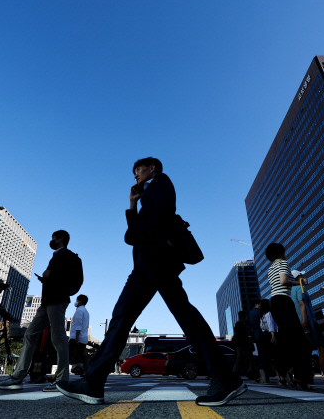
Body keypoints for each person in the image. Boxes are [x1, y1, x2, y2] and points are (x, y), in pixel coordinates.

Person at [57, 157, 246, 406]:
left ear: (152, 168)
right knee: (122, 318)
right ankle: (93, 383)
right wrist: (132, 205)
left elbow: (164, 212)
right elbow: (131, 236)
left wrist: (150, 240)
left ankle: (225, 378)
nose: (135, 174)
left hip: (156, 259)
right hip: (145, 263)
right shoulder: (145, 197)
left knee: (180, 314)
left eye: (138, 169)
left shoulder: (161, 182)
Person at [0, 230, 76, 392]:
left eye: (53, 238)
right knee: (30, 334)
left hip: (57, 300)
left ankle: (62, 380)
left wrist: (49, 275)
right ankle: (18, 377)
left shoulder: (66, 255)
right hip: (46, 302)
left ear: (61, 239)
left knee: (58, 338)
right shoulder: (57, 255)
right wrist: (46, 278)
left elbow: (65, 278)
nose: (51, 241)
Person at [265, 242, 313, 390]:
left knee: (286, 338)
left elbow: (276, 283)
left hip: (274, 302)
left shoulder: (270, 268)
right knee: (299, 339)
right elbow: (283, 281)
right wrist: (300, 282)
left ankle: (283, 369)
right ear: (282, 252)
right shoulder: (283, 263)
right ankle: (300, 376)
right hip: (283, 301)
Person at [289, 270, 324, 388]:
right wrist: (305, 320)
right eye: (301, 275)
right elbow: (302, 303)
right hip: (309, 323)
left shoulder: (291, 291)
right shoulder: (300, 287)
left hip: (300, 323)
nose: (303, 276)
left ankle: (295, 375)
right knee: (322, 348)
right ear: (297, 277)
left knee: (306, 351)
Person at [232, 311, 259, 380]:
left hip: (239, 346)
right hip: (244, 345)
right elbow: (244, 337)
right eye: (246, 316)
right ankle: (256, 377)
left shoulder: (237, 325)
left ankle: (233, 375)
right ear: (242, 317)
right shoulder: (242, 325)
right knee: (251, 361)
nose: (247, 318)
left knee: (239, 361)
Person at [248, 299, 269, 384]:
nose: (261, 305)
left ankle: (261, 372)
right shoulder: (259, 312)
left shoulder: (250, 313)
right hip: (262, 333)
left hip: (256, 336)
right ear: (256, 304)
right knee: (266, 354)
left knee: (261, 354)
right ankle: (265, 373)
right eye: (260, 304)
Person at [69, 294, 90, 375]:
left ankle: (58, 376)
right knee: (84, 358)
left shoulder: (79, 311)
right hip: (83, 339)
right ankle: (89, 374)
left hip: (75, 338)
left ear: (80, 301)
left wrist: (76, 338)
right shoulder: (86, 312)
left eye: (77, 300)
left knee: (67, 357)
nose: (76, 302)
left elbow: (78, 325)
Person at [259, 299, 277, 384]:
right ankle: (268, 376)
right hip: (268, 335)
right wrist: (273, 335)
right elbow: (270, 325)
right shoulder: (268, 313)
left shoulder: (261, 315)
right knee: (271, 355)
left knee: (265, 356)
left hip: (262, 336)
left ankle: (265, 375)